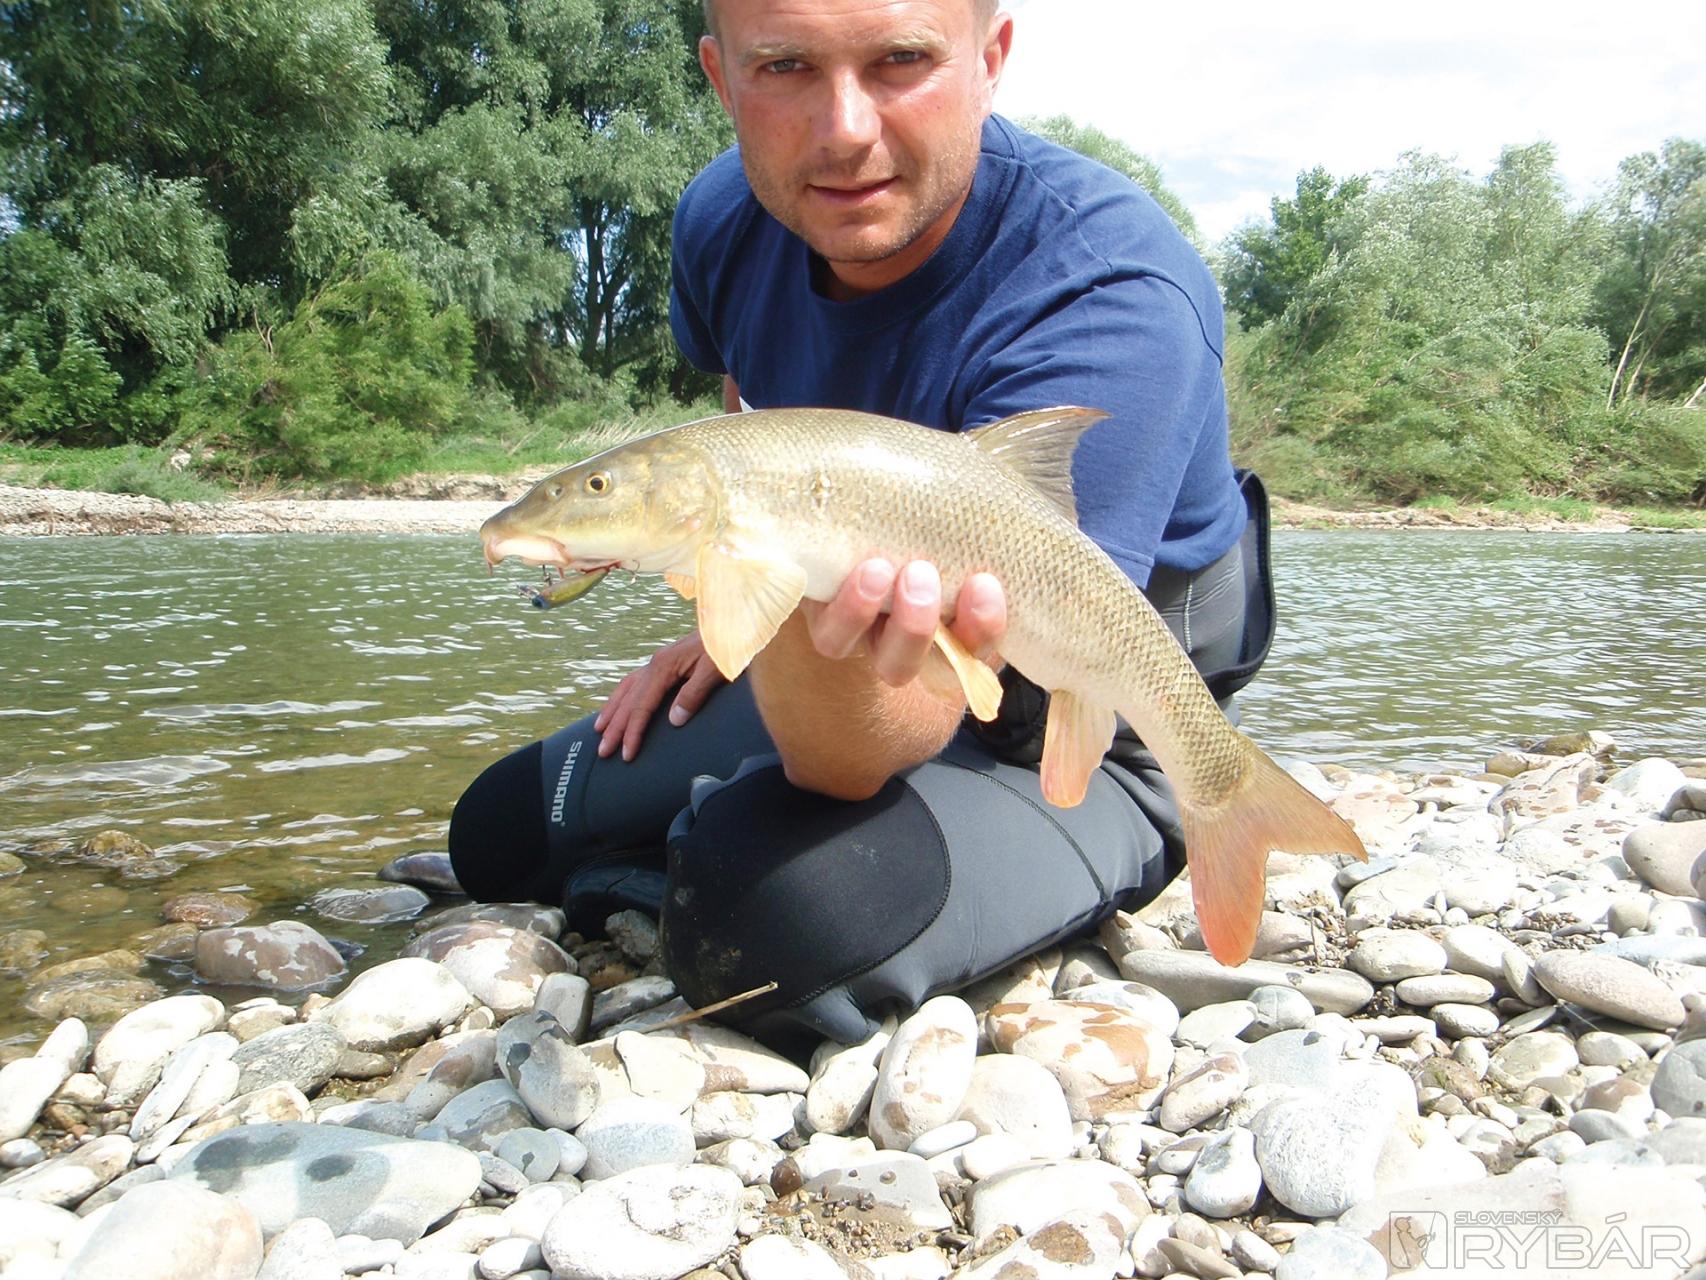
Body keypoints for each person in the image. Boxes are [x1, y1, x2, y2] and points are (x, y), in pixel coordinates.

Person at [448, 0, 1272, 1058]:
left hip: (1082, 710)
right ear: (721, 78)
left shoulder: (1112, 289)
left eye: (900, 59)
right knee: (501, 833)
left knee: (765, 929)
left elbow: (933, 705)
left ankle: (1205, 803)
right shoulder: (728, 215)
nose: (843, 132)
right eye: (785, 66)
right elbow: (748, 416)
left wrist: (788, 630)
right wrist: (731, 599)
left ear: (990, 57)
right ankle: (683, 846)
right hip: (854, 630)